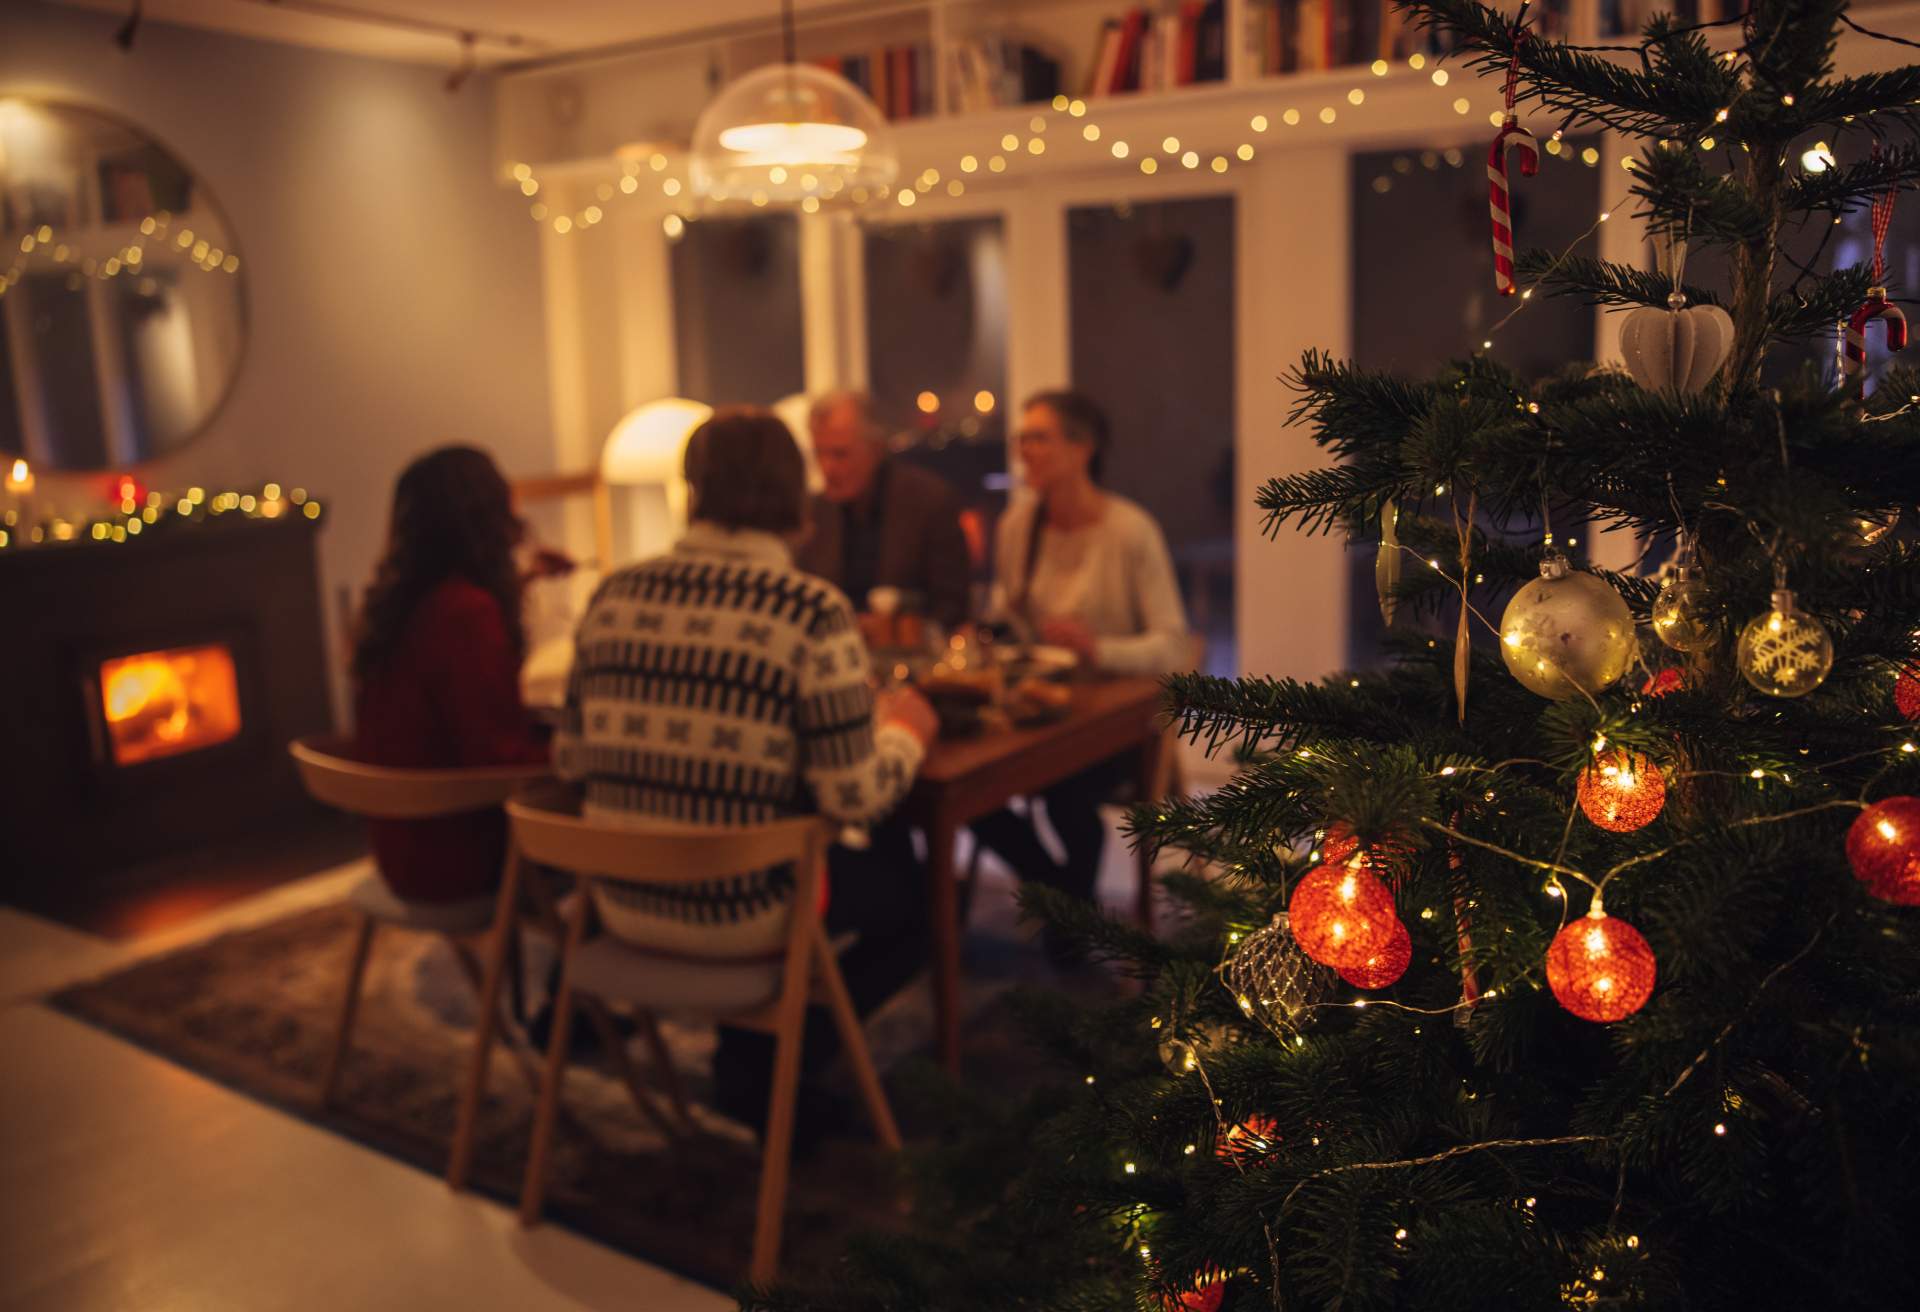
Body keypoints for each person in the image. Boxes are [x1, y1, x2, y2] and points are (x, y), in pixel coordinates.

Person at [554, 407, 939, 1134]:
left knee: (814, 850)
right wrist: (905, 736)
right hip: (741, 915)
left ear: (694, 491)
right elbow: (853, 795)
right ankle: (772, 1071)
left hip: (621, 902)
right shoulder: (809, 611)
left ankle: (751, 1065)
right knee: (914, 907)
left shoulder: (611, 595)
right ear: (794, 497)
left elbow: (568, 760)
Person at [973, 390, 1189, 934]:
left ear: (1082, 449)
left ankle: (1066, 920)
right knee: (971, 787)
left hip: (1115, 722)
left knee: (1064, 796)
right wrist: (990, 634)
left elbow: (1174, 645)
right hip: (1042, 710)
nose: (1025, 451)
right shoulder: (1018, 527)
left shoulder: (1129, 530)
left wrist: (1099, 649)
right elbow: (1012, 617)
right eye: (1022, 438)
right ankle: (1063, 903)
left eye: (1039, 438)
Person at [352, 446, 563, 904]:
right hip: (459, 857)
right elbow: (498, 757)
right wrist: (575, 755)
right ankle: (578, 965)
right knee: (607, 807)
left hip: (402, 848)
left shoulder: (400, 609)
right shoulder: (465, 614)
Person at [794, 391, 974, 629]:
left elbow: (953, 608)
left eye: (840, 454)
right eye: (819, 453)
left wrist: (892, 629)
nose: (827, 468)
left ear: (876, 448)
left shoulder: (930, 502)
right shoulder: (814, 513)